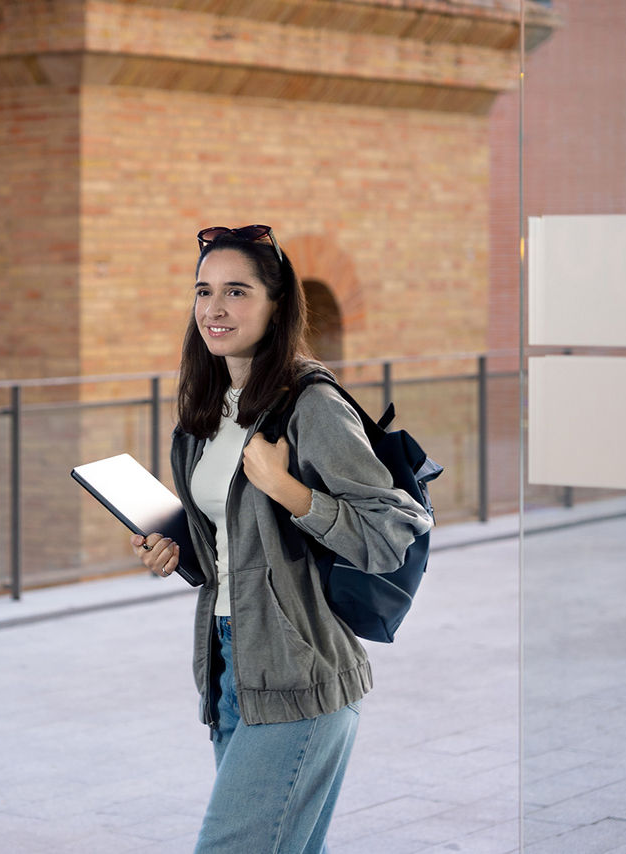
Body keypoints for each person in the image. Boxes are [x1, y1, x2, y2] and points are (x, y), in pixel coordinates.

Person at [131, 224, 433, 854]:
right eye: (204, 291)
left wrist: (288, 487)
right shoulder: (205, 412)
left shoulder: (311, 404)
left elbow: (390, 534)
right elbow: (234, 538)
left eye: (237, 292)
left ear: (275, 305)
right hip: (226, 664)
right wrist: (178, 546)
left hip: (300, 671)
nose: (215, 308)